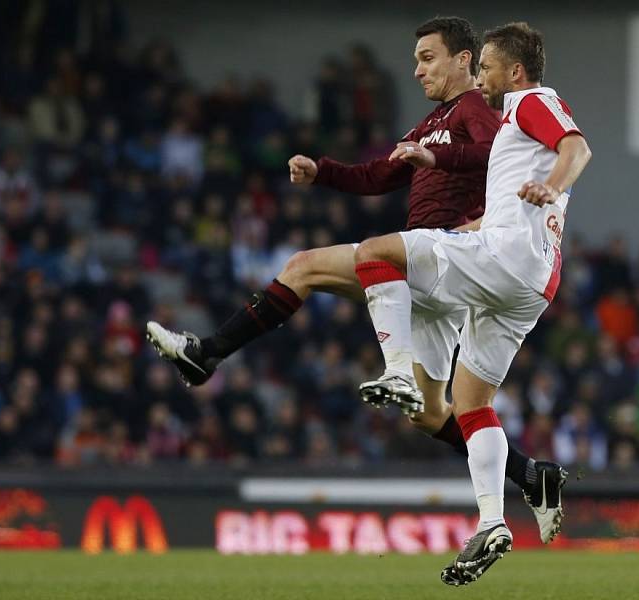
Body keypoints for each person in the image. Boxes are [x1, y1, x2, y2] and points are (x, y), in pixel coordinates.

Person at [146, 17, 564, 540]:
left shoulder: (480, 111)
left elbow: (492, 153)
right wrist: (323, 171)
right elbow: (379, 175)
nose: (417, 70)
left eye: (427, 57)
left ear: (463, 59)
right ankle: (531, 475)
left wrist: (437, 159)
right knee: (433, 415)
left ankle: (207, 353)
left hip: (449, 259)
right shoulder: (431, 122)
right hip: (433, 270)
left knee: (306, 266)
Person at [351, 22, 591, 585]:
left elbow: (576, 148)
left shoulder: (532, 100)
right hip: (528, 285)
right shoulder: (514, 130)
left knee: (374, 254)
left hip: (505, 259)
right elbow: (515, 198)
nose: (478, 76)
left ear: (513, 71)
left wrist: (554, 183)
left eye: (484, 67)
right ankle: (491, 521)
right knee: (470, 402)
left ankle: (396, 373)